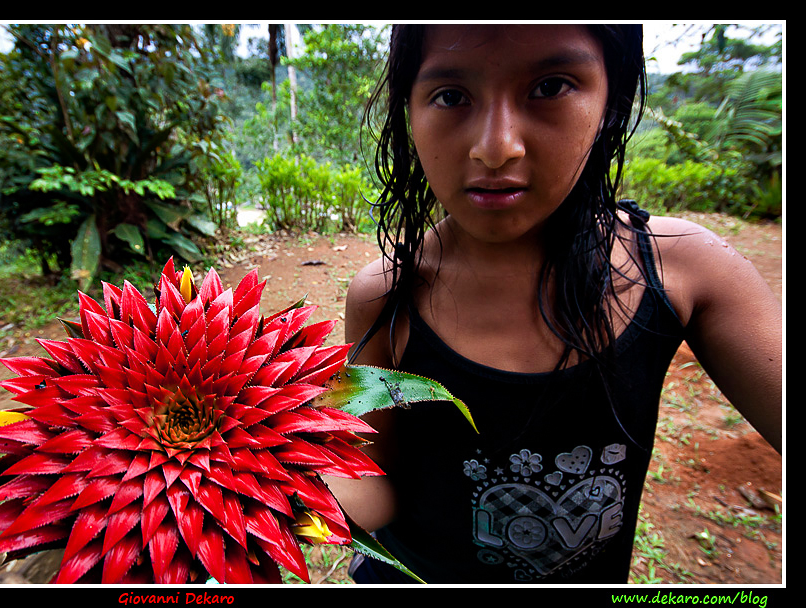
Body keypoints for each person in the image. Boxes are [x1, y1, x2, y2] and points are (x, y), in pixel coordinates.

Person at [323, 24, 782, 584]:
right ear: (409, 111)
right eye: (450, 96)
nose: (496, 148)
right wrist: (268, 473)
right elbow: (374, 488)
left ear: (611, 97)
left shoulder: (684, 270)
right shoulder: (386, 295)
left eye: (551, 86)